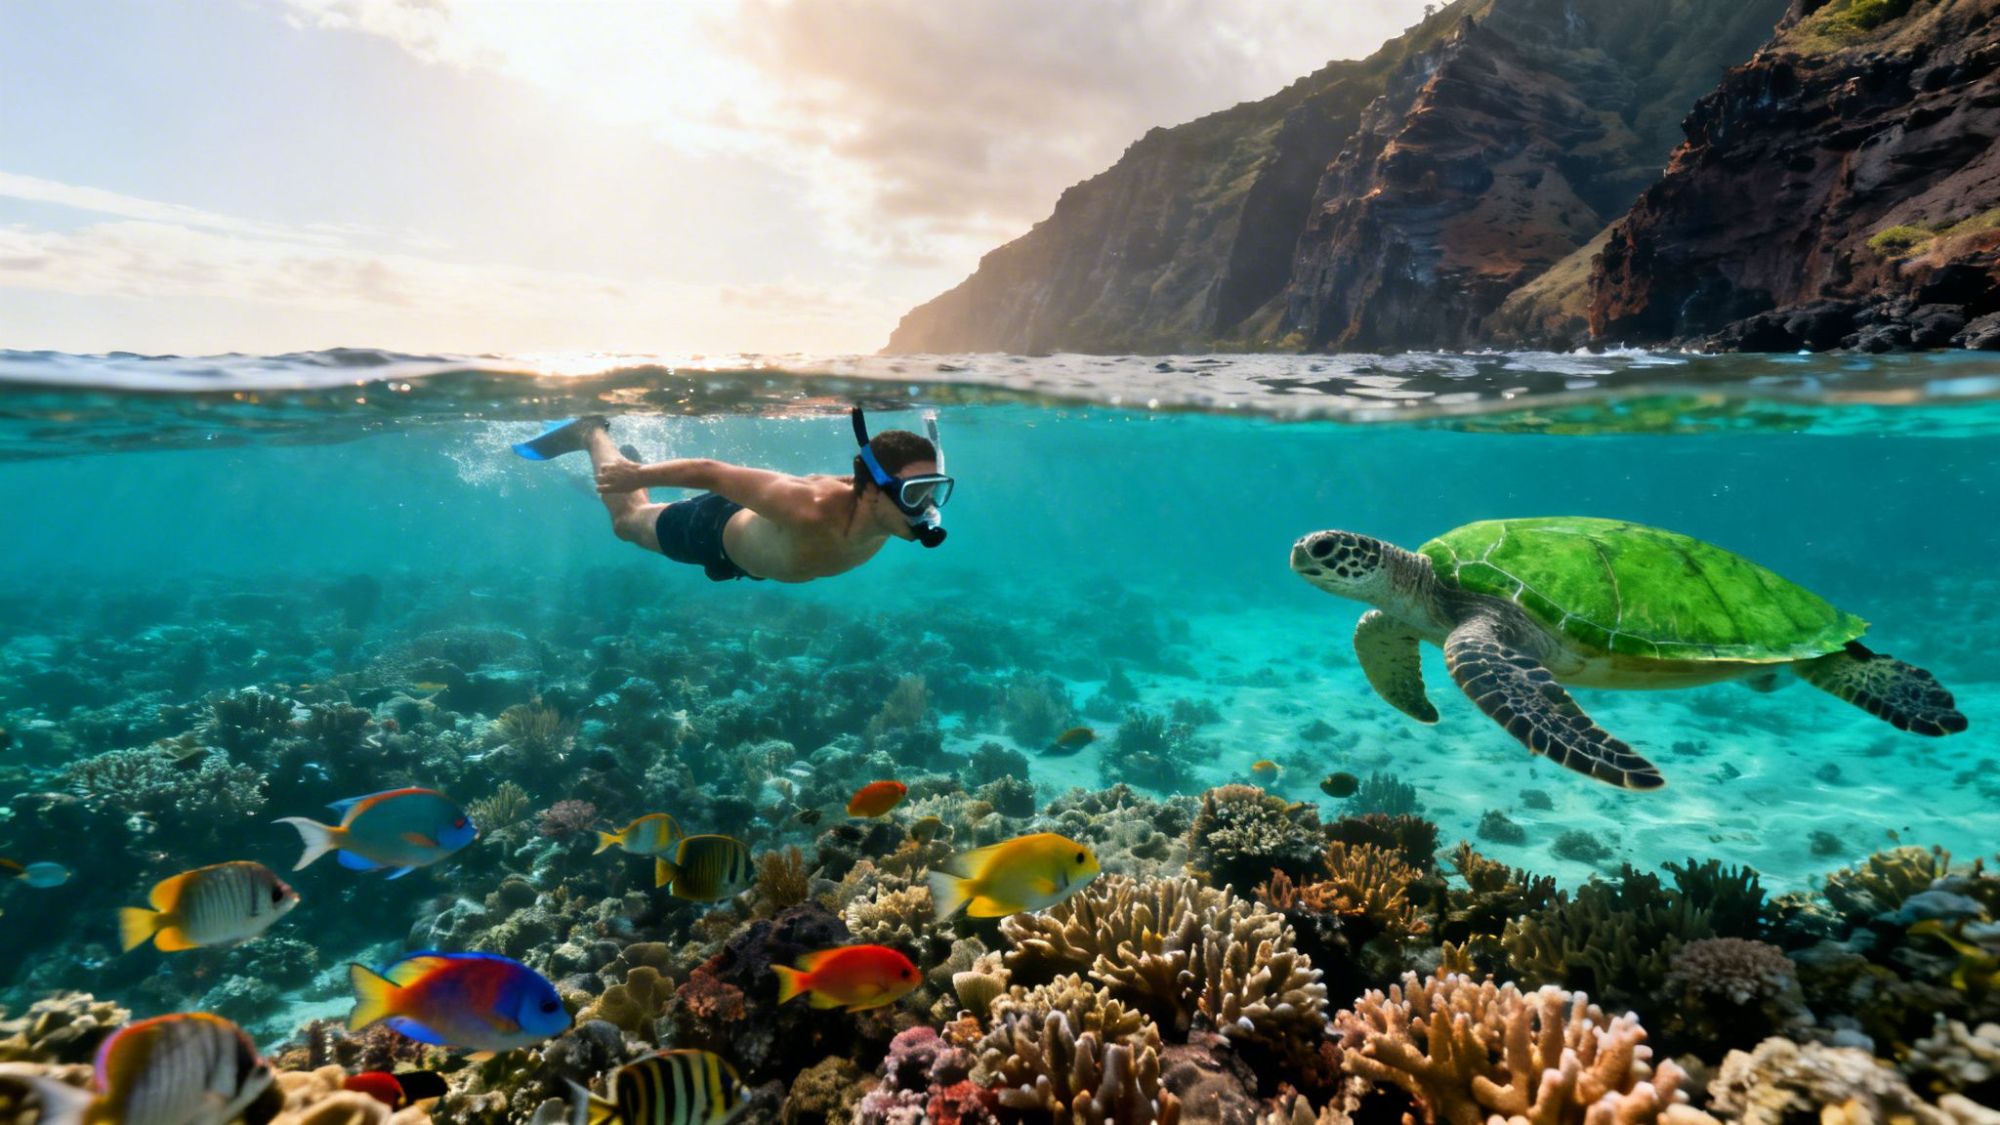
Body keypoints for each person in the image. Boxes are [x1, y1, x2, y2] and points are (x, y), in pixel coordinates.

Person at [511, 410, 952, 583]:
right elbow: (712, 473)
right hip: (712, 529)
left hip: (749, 560)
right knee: (627, 522)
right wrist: (634, 475)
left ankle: (631, 467)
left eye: (934, 491)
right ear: (874, 490)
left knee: (643, 509)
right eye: (916, 493)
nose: (928, 509)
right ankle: (591, 432)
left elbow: (856, 478)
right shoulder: (808, 507)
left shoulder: (881, 510)